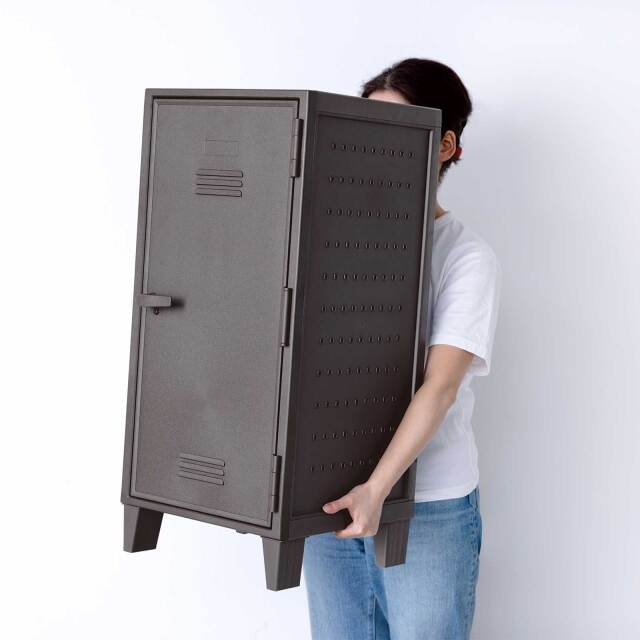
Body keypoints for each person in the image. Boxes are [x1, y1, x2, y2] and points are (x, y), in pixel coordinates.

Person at [302, 58, 502, 640]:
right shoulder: (328, 240)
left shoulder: (466, 257)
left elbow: (439, 387)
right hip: (330, 499)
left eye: (396, 129)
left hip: (428, 507)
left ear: (444, 146)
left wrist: (378, 489)